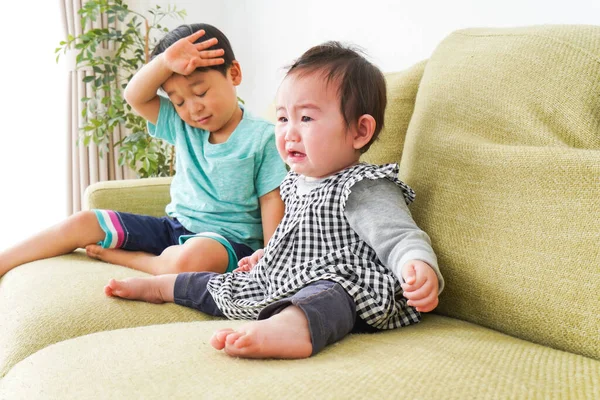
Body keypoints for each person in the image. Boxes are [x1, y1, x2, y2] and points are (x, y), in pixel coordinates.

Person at [103, 41, 445, 359]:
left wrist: (416, 265)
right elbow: (293, 236)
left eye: (306, 118)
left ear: (359, 131)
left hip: (339, 282)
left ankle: (290, 329)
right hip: (286, 275)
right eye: (282, 118)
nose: (288, 132)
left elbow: (398, 236)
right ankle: (163, 286)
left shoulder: (362, 186)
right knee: (224, 283)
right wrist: (266, 254)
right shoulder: (295, 183)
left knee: (329, 297)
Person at [0, 24, 287, 278]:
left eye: (200, 93)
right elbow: (134, 95)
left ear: (233, 73)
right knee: (84, 221)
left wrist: (270, 255)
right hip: (173, 228)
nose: (193, 108)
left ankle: (131, 259)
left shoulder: (262, 137)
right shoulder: (180, 124)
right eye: (178, 101)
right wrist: (164, 61)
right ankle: (4, 261)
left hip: (227, 244)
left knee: (193, 257)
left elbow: (272, 198)